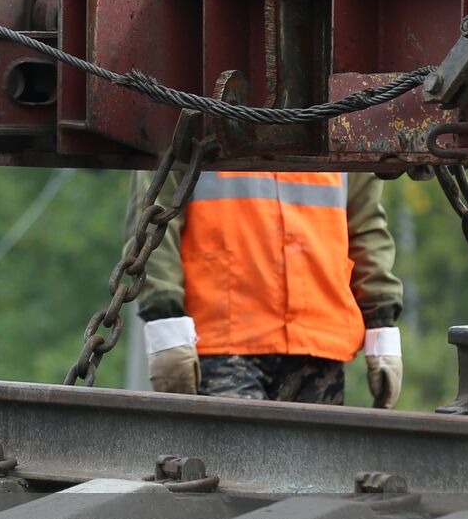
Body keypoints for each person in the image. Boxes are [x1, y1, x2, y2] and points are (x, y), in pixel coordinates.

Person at [127, 169, 404, 407]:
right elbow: (156, 220)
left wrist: (382, 325)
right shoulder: (191, 112)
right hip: (222, 342)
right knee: (234, 465)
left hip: (317, 341)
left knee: (311, 466)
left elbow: (365, 224)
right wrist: (166, 320)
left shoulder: (340, 117)